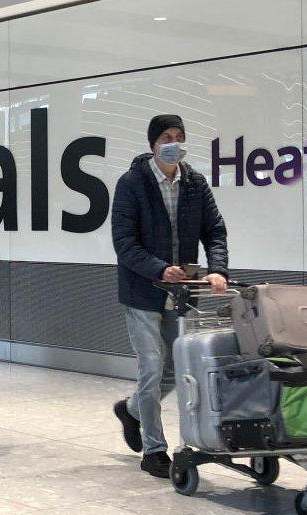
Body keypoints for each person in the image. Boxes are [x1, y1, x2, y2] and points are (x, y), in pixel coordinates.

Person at [110, 114, 229, 478]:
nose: (174, 142)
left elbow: (215, 231)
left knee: (177, 368)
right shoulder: (132, 183)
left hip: (182, 293)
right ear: (152, 145)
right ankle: (154, 449)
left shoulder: (194, 183)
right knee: (151, 367)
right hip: (142, 292)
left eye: (179, 136)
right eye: (166, 137)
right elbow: (124, 243)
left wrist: (218, 269)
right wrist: (158, 268)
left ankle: (130, 410)